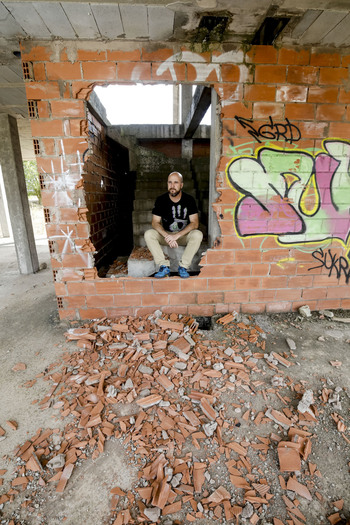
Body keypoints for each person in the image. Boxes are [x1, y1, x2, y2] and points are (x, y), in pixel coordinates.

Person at [144, 171, 203, 278]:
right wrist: (167, 236)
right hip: (166, 236)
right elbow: (155, 223)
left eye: (176, 182)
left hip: (183, 236)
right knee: (149, 234)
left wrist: (176, 236)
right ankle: (164, 266)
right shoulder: (161, 200)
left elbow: (195, 223)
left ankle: (183, 267)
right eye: (170, 182)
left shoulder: (189, 200)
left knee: (197, 234)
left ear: (181, 185)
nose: (172, 186)